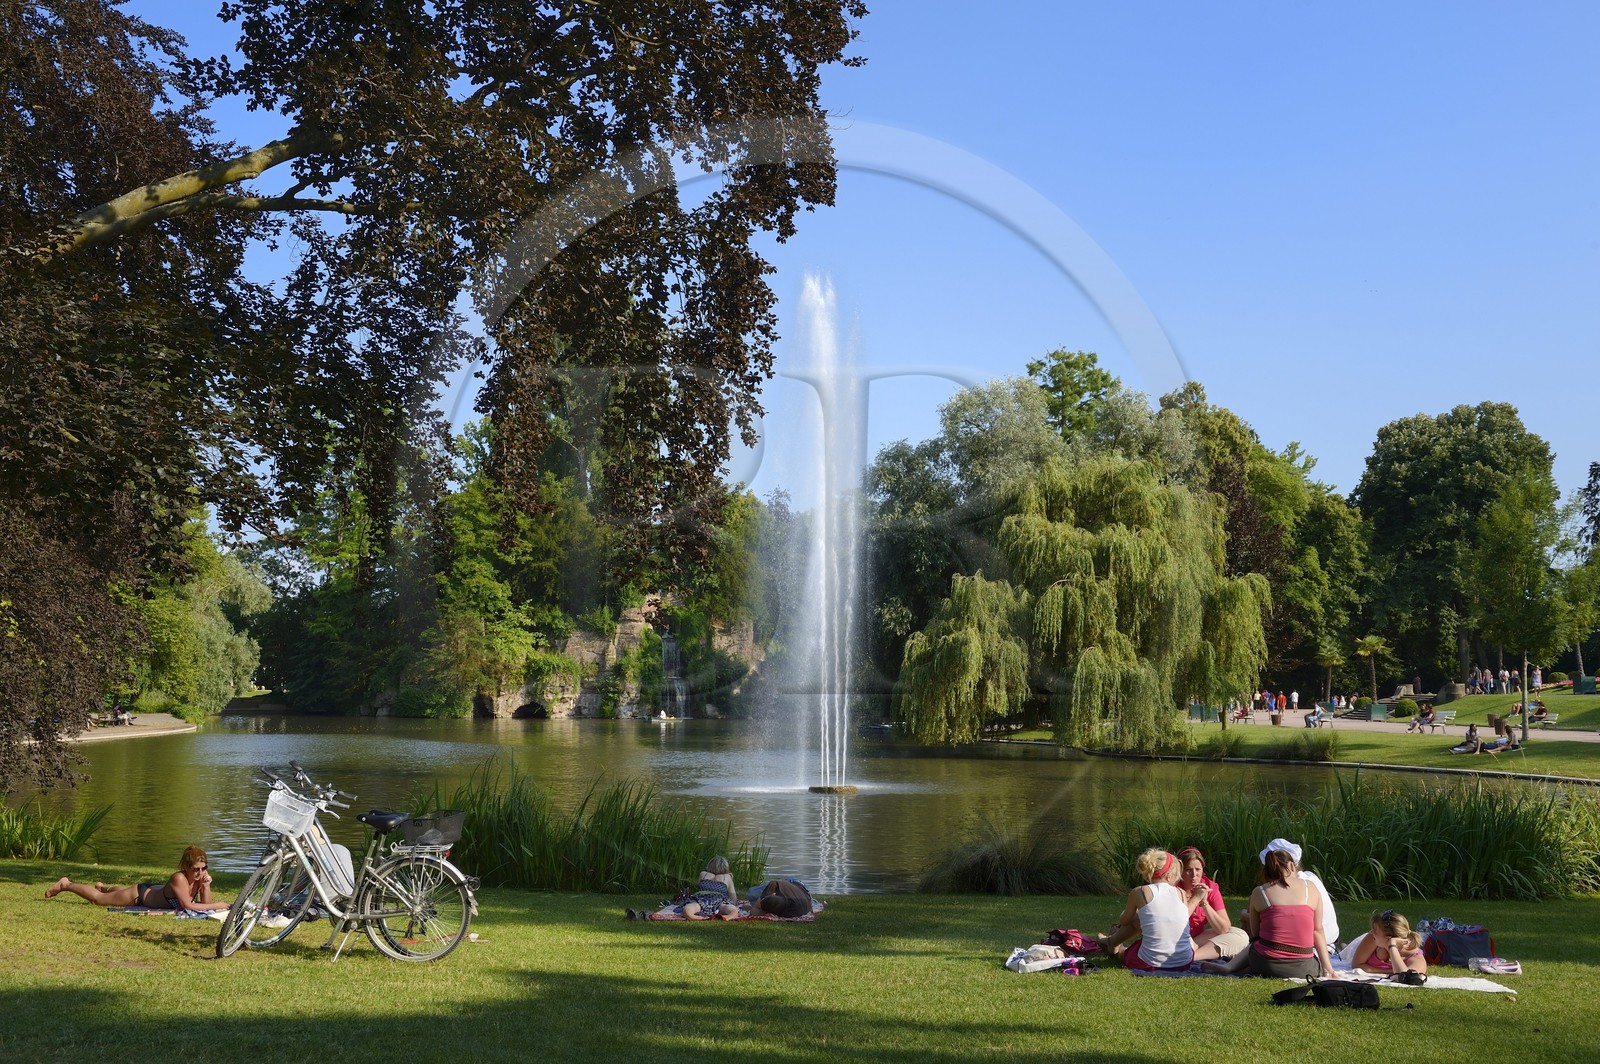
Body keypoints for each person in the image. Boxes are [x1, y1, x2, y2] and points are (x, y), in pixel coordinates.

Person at [1200, 844, 1336, 980]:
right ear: (1292, 866)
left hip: (1265, 964)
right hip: (1303, 968)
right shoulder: (1310, 888)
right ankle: (1235, 966)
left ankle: (1231, 966)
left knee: (1257, 943)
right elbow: (1317, 931)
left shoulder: (1260, 892)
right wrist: (1328, 969)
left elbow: (1256, 934)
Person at [1095, 848, 1194, 971]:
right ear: (1169, 875)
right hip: (1184, 961)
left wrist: (1125, 914)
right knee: (1140, 918)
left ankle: (1114, 946)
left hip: (1151, 963)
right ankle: (1110, 942)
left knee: (1127, 946)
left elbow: (1124, 921)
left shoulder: (1140, 892)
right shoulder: (1181, 893)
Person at [43, 846, 226, 911]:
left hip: (154, 890)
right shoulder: (179, 878)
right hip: (139, 896)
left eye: (204, 868)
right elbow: (189, 906)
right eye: (196, 869)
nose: (200, 873)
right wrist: (219, 905)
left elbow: (205, 906)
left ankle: (104, 887)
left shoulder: (200, 878)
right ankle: (66, 884)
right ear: (185, 867)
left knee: (109, 893)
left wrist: (206, 887)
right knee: (98, 900)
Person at [1175, 846, 1248, 962]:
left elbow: (1224, 928)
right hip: (1176, 937)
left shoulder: (1210, 887)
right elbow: (1175, 922)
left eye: (1198, 869)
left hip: (1197, 938)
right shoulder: (1173, 889)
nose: (1194, 875)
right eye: (1188, 870)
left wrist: (1204, 903)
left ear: (1202, 870)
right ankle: (1192, 954)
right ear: (1180, 871)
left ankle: (1192, 957)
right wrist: (1196, 898)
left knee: (1240, 935)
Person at [1350, 908, 1428, 980]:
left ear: (1388, 938)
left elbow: (1406, 977)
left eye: (1375, 930)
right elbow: (1357, 964)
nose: (1371, 932)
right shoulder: (1373, 937)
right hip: (1355, 947)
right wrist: (1390, 971)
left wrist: (1392, 945)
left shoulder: (1415, 957)